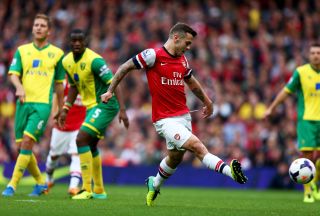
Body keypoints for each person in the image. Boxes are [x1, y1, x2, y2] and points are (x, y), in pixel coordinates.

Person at [101, 22, 248, 206]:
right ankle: (230, 172)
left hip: (183, 116)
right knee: (197, 146)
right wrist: (110, 91)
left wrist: (207, 101)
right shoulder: (152, 55)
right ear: (175, 37)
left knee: (175, 158)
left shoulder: (183, 60)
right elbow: (124, 67)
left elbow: (191, 82)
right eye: (187, 43)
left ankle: (153, 185)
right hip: (164, 120)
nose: (188, 48)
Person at [57, 29, 129, 200]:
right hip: (91, 107)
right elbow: (74, 86)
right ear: (70, 42)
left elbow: (114, 82)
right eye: (73, 40)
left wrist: (123, 110)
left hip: (105, 104)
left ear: (85, 42)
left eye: (79, 40)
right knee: (91, 145)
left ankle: (86, 189)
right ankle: (98, 190)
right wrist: (65, 109)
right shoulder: (66, 61)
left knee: (81, 139)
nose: (76, 43)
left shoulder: (95, 61)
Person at [2, 14, 65, 197]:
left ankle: (12, 186)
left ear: (49, 31)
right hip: (23, 103)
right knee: (22, 147)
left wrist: (60, 109)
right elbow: (13, 74)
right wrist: (19, 87)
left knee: (28, 142)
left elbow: (59, 84)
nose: (38, 28)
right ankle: (40, 182)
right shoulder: (22, 51)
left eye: (42, 25)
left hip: (42, 105)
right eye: (36, 25)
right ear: (32, 28)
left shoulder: (57, 54)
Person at [264, 43, 320, 203]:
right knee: (308, 155)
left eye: (318, 53)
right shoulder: (301, 73)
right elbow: (286, 91)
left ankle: (314, 183)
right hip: (307, 120)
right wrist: (271, 108)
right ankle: (308, 191)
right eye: (313, 53)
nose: (316, 55)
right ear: (309, 55)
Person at [45, 80, 86, 196]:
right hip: (61, 126)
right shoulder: (64, 83)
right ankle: (49, 180)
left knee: (76, 154)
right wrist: (54, 116)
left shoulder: (87, 83)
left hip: (79, 126)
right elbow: (55, 99)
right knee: (53, 156)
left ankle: (73, 186)